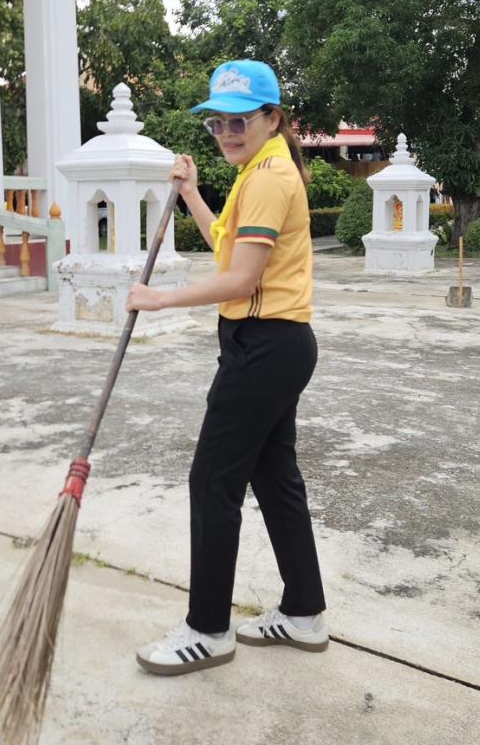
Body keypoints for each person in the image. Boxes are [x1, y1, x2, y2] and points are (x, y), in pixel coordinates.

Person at [126, 60, 328, 675]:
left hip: (263, 347)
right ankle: (304, 612)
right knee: (274, 477)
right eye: (216, 123)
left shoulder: (267, 177)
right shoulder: (260, 172)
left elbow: (239, 280)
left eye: (239, 121)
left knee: (213, 480)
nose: (226, 133)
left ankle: (208, 629)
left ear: (272, 118)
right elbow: (225, 245)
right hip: (276, 344)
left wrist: (159, 298)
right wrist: (192, 192)